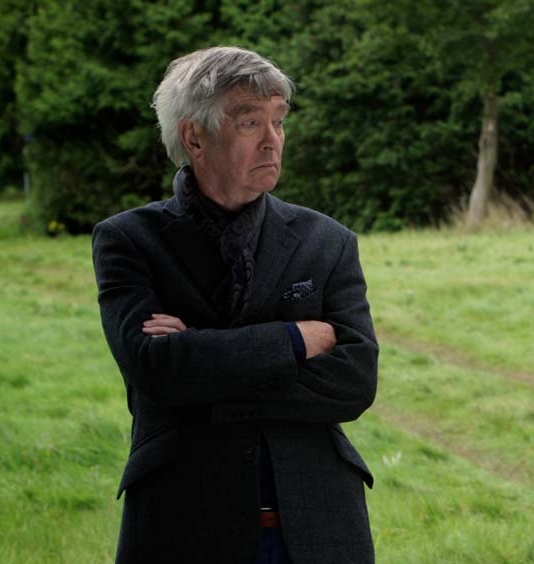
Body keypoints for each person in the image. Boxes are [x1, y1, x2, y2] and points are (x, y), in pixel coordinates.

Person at [92, 46, 378, 564]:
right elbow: (157, 370)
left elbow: (355, 381)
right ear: (193, 137)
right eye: (250, 122)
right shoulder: (129, 241)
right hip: (182, 529)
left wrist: (203, 368)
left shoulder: (328, 241)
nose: (272, 140)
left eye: (278, 121)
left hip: (320, 529)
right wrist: (295, 339)